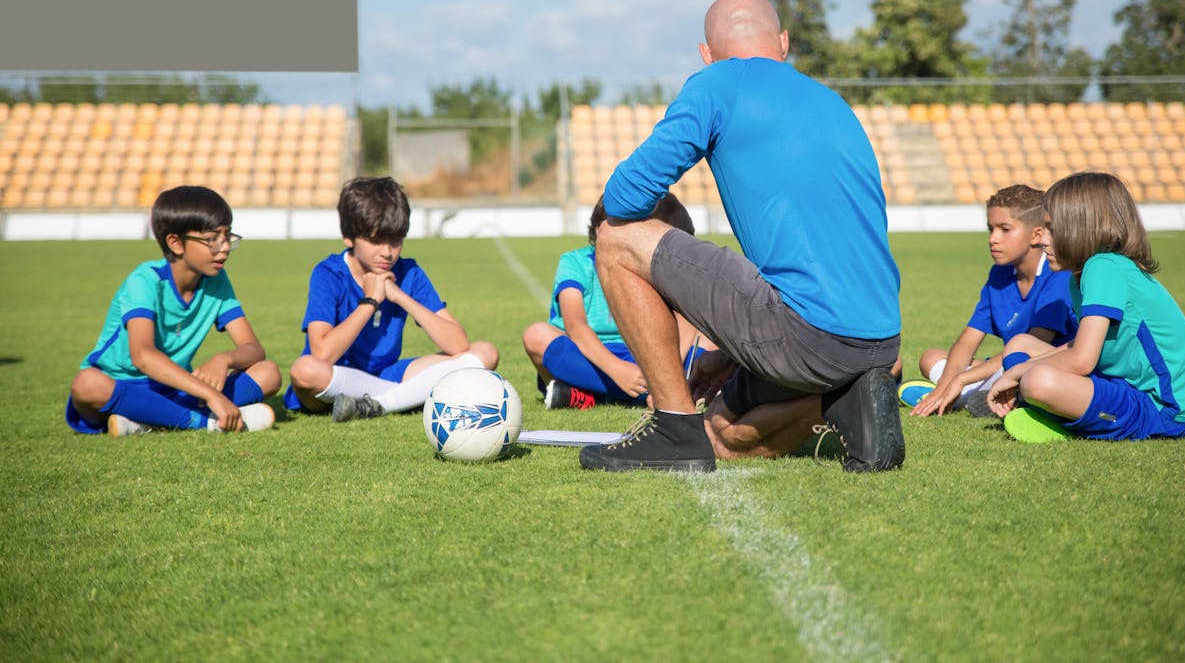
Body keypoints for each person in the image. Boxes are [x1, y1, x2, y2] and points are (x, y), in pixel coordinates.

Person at [578, 0, 903, 474]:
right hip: (879, 342)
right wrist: (730, 346)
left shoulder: (716, 84)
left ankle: (671, 429)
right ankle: (847, 399)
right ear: (784, 43)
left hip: (805, 335)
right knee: (723, 438)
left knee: (616, 238)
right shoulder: (831, 102)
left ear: (706, 55)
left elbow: (624, 200)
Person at [985, 171, 1185, 442]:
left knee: (1036, 381)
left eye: (1051, 228)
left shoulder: (1103, 267)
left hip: (1159, 409)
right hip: (1120, 385)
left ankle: (1046, 412)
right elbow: (1080, 346)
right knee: (1020, 344)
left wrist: (1016, 373)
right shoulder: (1083, 274)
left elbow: (1081, 360)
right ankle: (1037, 407)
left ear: (1081, 228)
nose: (1042, 239)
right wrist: (1022, 369)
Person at [66, 185, 281, 436]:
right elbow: (143, 356)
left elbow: (253, 349)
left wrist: (224, 359)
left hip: (174, 387)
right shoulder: (145, 280)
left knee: (269, 373)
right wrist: (210, 394)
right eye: (212, 239)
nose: (223, 247)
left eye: (227, 236)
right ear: (176, 243)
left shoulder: (217, 281)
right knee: (86, 384)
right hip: (121, 386)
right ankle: (206, 423)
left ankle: (146, 421)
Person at [285, 176, 499, 420]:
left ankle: (382, 403)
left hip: (385, 375)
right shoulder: (328, 274)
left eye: (396, 241)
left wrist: (398, 296)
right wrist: (370, 302)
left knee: (485, 353)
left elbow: (458, 345)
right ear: (349, 237)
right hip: (335, 377)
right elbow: (322, 354)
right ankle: (406, 397)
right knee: (305, 371)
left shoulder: (408, 272)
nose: (387, 252)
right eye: (375, 241)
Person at [522, 192, 711, 410]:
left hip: (646, 356)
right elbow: (576, 326)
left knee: (711, 339)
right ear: (598, 231)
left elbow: (684, 319)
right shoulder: (574, 262)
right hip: (589, 358)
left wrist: (668, 376)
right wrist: (617, 370)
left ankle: (587, 395)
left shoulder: (650, 264)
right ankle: (652, 394)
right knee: (536, 335)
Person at [905, 184, 1077, 418]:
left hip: (1047, 367)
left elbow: (1034, 346)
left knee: (1026, 373)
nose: (993, 239)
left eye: (1005, 229)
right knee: (931, 358)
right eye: (990, 229)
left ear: (1036, 235)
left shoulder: (1058, 274)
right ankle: (970, 397)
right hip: (1005, 366)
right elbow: (968, 340)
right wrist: (945, 385)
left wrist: (962, 378)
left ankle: (982, 396)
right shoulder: (999, 275)